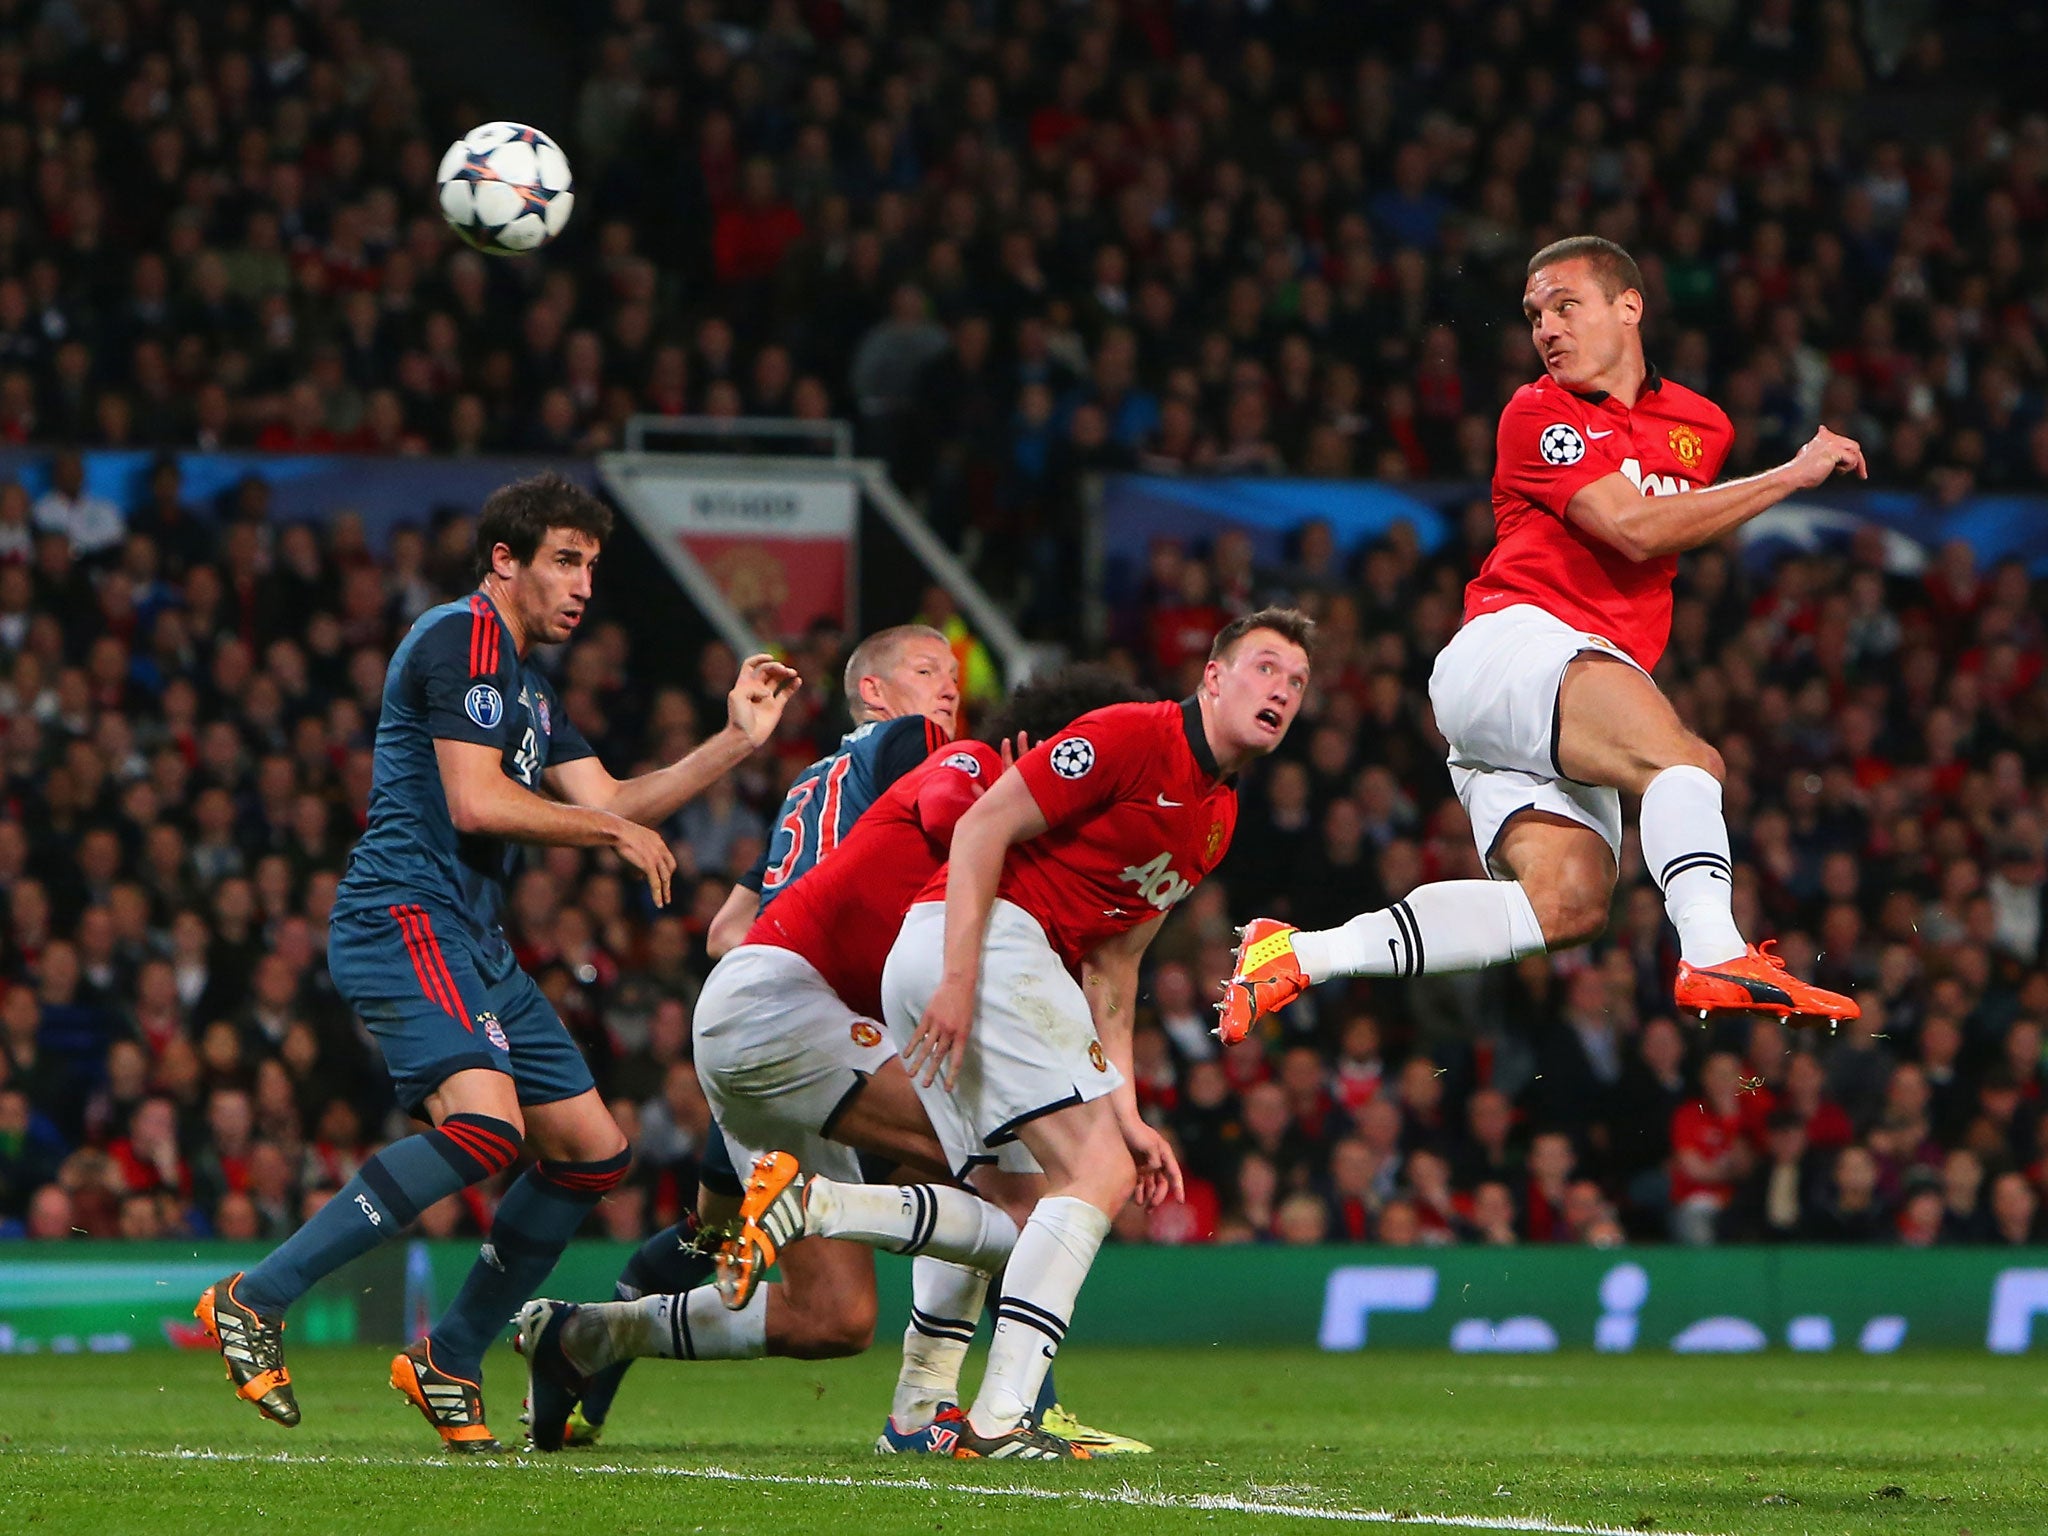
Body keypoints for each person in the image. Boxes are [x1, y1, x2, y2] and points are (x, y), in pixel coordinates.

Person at [195, 472, 798, 1450]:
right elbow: (476, 803)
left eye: (592, 567)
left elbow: (611, 793)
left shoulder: (525, 685)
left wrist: (734, 740)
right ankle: (256, 1296)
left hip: (472, 937)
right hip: (406, 915)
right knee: (484, 1130)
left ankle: (452, 1354)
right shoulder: (460, 637)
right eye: (565, 561)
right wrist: (602, 836)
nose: (582, 586)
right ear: (504, 561)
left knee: (593, 1152)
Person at [1219, 237, 1862, 1044]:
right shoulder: (1538, 412)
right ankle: (1715, 951)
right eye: (1533, 316)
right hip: (1514, 645)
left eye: (1565, 306)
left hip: (1563, 692)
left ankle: (1299, 953)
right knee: (1686, 762)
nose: (1546, 329)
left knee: (1570, 906)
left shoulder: (1704, 427)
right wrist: (1790, 476)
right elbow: (1631, 529)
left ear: (1629, 305)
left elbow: (1671, 526)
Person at [519, 667, 1156, 1457]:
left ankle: (586, 1339)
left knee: (835, 1318)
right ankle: (923, 1398)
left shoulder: (1028, 863)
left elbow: (731, 925)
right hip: (782, 1008)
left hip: (782, 1030)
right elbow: (962, 819)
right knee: (1011, 1165)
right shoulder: (970, 767)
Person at [724, 609, 1312, 1457]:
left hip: (980, 958)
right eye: (1264, 669)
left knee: (1007, 1207)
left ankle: (894, 1365)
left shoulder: (1214, 821)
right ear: (1213, 677)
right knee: (1094, 1173)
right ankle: (1005, 1416)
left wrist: (1130, 1110)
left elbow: (1115, 972)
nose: (1281, 692)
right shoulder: (1125, 736)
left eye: (1294, 683)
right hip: (983, 943)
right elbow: (980, 827)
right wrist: (960, 979)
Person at [554, 623, 965, 1446]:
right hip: (831, 1032)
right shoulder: (908, 750)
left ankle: (588, 1351)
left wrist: (785, 971)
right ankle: (967, 1403)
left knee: (744, 1255)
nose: (949, 689)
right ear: (875, 694)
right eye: (927, 671)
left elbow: (726, 931)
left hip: (764, 1028)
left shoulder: (813, 783)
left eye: (955, 676)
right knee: (993, 1156)